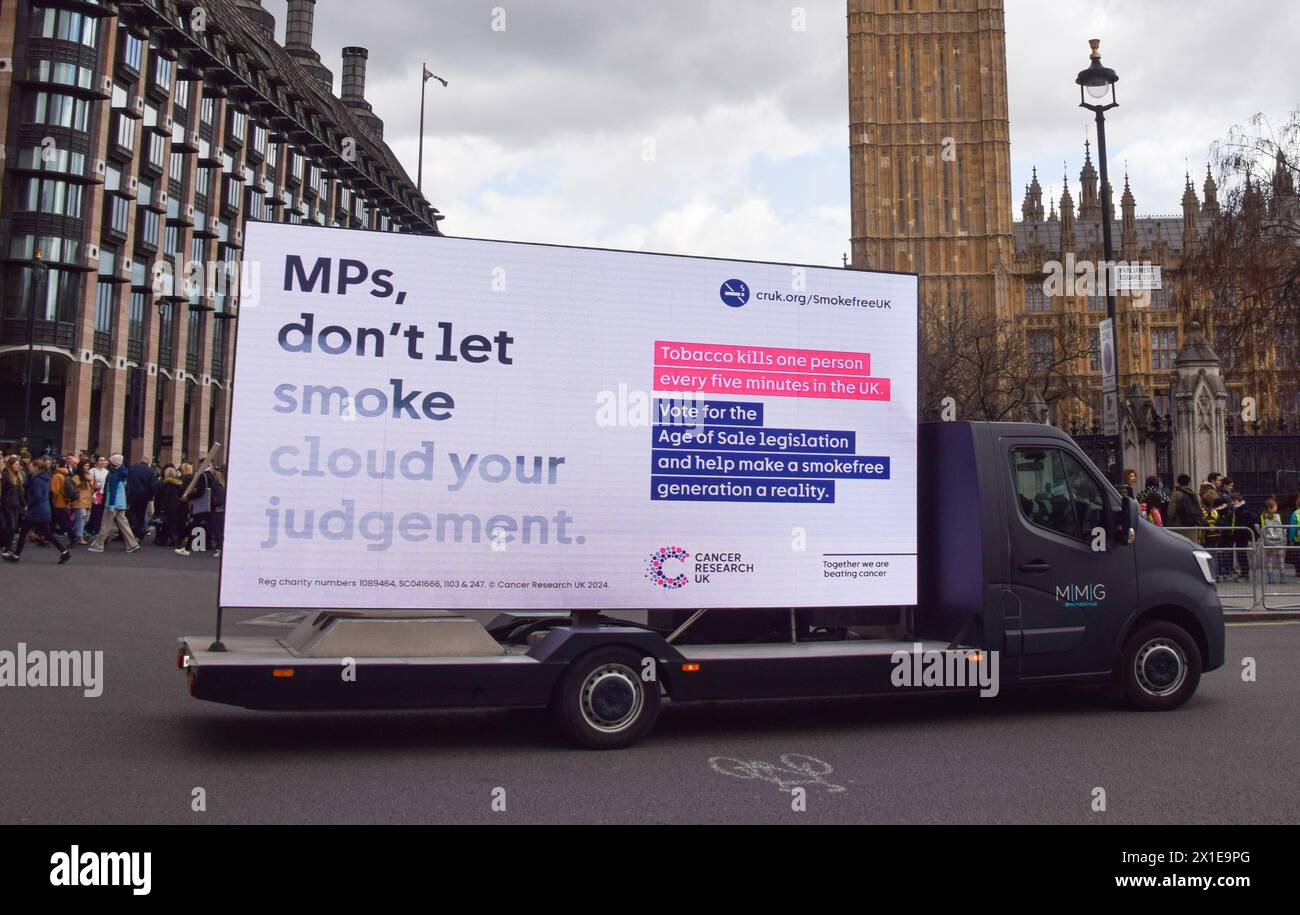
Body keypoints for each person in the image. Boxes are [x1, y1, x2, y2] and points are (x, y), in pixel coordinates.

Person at [2, 458, 70, 564]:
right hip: (44, 509)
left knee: (24, 532)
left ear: (36, 467)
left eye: (31, 465)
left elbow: (38, 496)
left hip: (36, 511)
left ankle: (16, 555)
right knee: (47, 534)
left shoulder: (37, 480)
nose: (29, 467)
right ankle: (64, 552)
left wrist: (29, 506)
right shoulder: (44, 478)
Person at [87, 454, 140, 554]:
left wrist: (111, 504)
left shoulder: (114, 474)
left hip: (113, 503)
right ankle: (132, 544)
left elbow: (112, 490)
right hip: (121, 502)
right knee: (124, 524)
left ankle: (98, 544)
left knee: (105, 524)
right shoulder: (123, 472)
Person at [177, 462, 214, 556]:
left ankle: (187, 548)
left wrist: (189, 497)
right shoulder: (210, 476)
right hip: (208, 504)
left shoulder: (202, 476)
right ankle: (189, 547)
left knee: (193, 525)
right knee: (200, 525)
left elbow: (201, 492)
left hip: (201, 505)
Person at [1221, 491, 1256, 581]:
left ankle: (1245, 574)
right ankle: (1242, 573)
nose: (1232, 503)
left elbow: (1246, 521)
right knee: (1239, 554)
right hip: (1235, 534)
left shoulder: (1244, 508)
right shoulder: (1235, 508)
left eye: (1233, 501)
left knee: (1242, 554)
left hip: (1241, 535)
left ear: (1237, 500)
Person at [153, 465, 184, 547]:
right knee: (173, 524)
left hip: (168, 507)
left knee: (166, 524)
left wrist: (162, 508)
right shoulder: (179, 483)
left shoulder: (166, 484)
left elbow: (165, 497)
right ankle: (174, 540)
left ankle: (169, 540)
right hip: (177, 506)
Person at [126, 457, 155, 542]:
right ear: (148, 463)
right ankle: (138, 535)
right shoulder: (150, 471)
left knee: (131, 513)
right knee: (141, 516)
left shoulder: (132, 468)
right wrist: (150, 497)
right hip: (143, 496)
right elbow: (152, 486)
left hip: (132, 494)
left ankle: (130, 532)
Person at [1261, 498, 1287, 584]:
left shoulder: (1263, 517)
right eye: (1275, 506)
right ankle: (1282, 577)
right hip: (1278, 541)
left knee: (1269, 559)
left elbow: (1262, 529)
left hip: (1268, 542)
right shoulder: (1278, 516)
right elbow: (1282, 527)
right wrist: (1284, 536)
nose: (1277, 507)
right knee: (1280, 559)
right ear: (1271, 507)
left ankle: (1271, 578)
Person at [0, 456, 23, 556]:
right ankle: (6, 547)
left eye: (18, 464)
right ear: (11, 465)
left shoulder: (17, 476)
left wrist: (24, 504)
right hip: (7, 504)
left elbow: (19, 492)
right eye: (16, 464)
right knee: (11, 526)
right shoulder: (5, 475)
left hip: (16, 504)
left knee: (13, 527)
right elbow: (2, 489)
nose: (18, 466)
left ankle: (7, 547)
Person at [1168, 473, 1202, 538]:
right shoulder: (1193, 494)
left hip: (1179, 525)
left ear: (1178, 482)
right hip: (1192, 525)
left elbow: (1170, 512)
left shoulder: (1176, 494)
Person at [72, 459, 95, 544]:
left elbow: (92, 487)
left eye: (88, 466)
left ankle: (74, 533)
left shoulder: (89, 475)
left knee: (85, 519)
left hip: (88, 501)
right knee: (81, 519)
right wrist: (87, 480)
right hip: (79, 500)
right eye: (85, 466)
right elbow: (75, 487)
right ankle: (79, 537)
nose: (87, 467)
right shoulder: (77, 476)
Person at [86, 455, 108, 537]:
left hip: (104, 493)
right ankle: (95, 529)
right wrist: (94, 486)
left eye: (103, 460)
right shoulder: (92, 470)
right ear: (97, 462)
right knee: (96, 512)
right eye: (100, 460)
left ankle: (91, 528)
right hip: (96, 494)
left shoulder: (106, 471)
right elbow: (90, 482)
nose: (102, 462)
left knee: (101, 512)